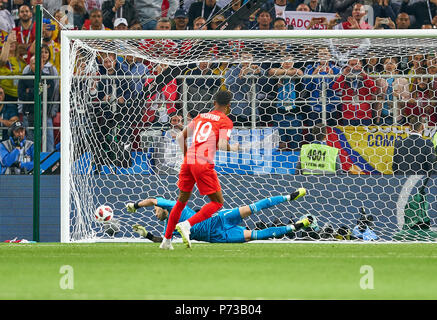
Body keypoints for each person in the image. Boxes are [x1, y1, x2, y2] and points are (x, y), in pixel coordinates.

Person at [159, 90, 238, 250]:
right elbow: (223, 145)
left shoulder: (201, 116)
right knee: (217, 203)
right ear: (229, 106)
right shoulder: (226, 121)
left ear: (214, 102)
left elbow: (180, 137)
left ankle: (166, 241)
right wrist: (234, 148)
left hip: (189, 161)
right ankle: (187, 225)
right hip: (203, 162)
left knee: (180, 202)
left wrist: (189, 156)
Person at [126, 188, 309, 244]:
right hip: (218, 236)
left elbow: (151, 200)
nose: (155, 212)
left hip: (218, 219)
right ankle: (296, 226)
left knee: (253, 207)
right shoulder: (170, 227)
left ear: (162, 208)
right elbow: (163, 240)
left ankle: (289, 196)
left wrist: (135, 205)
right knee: (255, 235)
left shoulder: (174, 205)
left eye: (155, 210)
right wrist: (147, 235)